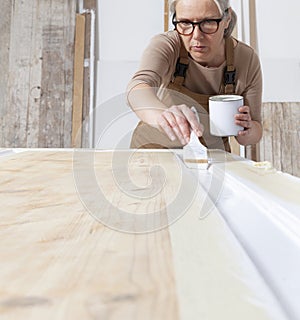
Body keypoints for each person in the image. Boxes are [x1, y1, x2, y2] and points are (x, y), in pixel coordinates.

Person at [126, 0, 263, 151]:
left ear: (227, 19)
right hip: (153, 156)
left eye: (208, 22)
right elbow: (137, 89)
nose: (196, 36)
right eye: (185, 23)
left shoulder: (246, 59)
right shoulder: (168, 45)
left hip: (212, 161)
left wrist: (247, 130)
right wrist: (163, 115)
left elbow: (255, 131)